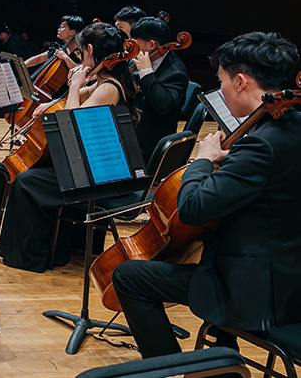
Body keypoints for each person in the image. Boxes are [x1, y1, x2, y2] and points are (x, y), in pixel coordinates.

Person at [112, 32, 301, 359]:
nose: (221, 91)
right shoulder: (292, 124)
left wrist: (203, 159)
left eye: (222, 81)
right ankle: (219, 358)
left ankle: (167, 366)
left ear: (240, 81)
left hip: (256, 289)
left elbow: (192, 209)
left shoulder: (260, 143)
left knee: (129, 276)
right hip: (289, 271)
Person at [0, 23, 139, 272]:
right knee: (36, 175)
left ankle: (35, 256)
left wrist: (73, 86)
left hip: (99, 176)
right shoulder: (110, 82)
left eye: (82, 52)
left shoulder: (108, 88)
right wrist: (51, 103)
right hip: (99, 166)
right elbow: (81, 97)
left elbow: (72, 123)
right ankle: (56, 247)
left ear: (91, 50)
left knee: (27, 181)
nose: (80, 58)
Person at [130, 16, 189, 159]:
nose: (133, 51)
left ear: (151, 45)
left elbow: (164, 104)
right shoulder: (147, 60)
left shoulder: (176, 72)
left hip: (149, 143)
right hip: (135, 128)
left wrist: (146, 73)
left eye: (137, 45)